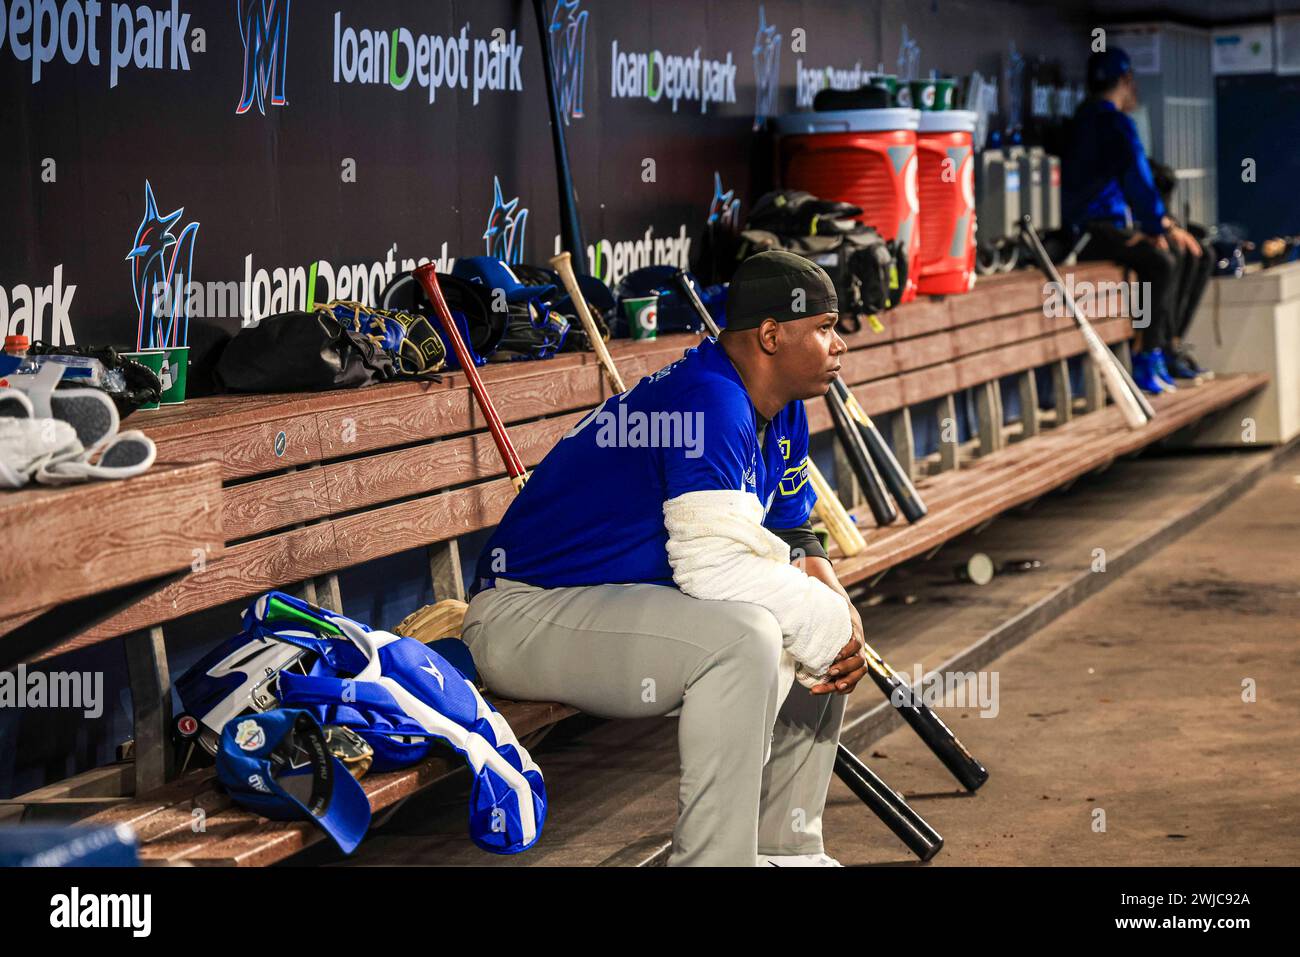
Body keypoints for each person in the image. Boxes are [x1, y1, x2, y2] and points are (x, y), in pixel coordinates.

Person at [461, 251, 867, 867]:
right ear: (770, 335)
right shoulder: (708, 399)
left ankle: (787, 852)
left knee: (821, 627)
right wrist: (821, 616)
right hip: (523, 615)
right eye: (825, 327)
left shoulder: (782, 408)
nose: (838, 345)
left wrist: (840, 614)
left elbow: (794, 535)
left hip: (615, 607)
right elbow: (712, 567)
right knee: (756, 634)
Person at [1061, 47, 1212, 392]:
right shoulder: (1112, 121)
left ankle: (1164, 349)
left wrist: (1157, 227)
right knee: (1160, 261)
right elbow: (1138, 180)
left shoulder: (1081, 118)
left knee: (1175, 255)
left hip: (1092, 230)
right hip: (1092, 232)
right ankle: (1149, 354)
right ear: (1126, 81)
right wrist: (1156, 226)